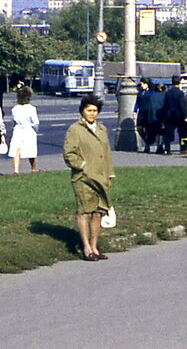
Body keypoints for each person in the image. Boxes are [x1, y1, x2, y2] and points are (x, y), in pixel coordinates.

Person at [63, 95, 114, 261]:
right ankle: (86, 248)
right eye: (89, 110)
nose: (92, 114)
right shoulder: (75, 129)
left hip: (101, 177)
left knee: (99, 212)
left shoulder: (102, 129)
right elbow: (69, 154)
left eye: (95, 111)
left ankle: (94, 246)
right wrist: (83, 166)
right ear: (82, 111)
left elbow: (106, 155)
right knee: (85, 211)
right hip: (83, 178)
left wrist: (110, 175)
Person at [9, 86, 40, 174]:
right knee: (31, 150)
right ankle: (33, 168)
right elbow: (35, 123)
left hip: (18, 129)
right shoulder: (31, 108)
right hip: (29, 130)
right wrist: (36, 131)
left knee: (16, 149)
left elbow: (13, 121)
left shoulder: (15, 109)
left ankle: (16, 169)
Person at [160, 78, 187, 154]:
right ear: (179, 83)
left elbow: (165, 105)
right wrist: (185, 116)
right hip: (179, 115)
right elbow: (181, 105)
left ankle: (167, 149)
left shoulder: (167, 93)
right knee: (182, 132)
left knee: (168, 133)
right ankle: (183, 148)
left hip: (169, 115)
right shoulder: (180, 93)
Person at [141, 80, 166, 152]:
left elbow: (150, 107)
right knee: (163, 133)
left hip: (153, 117)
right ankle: (161, 146)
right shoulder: (164, 96)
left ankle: (153, 146)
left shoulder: (153, 96)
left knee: (154, 133)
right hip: (162, 117)